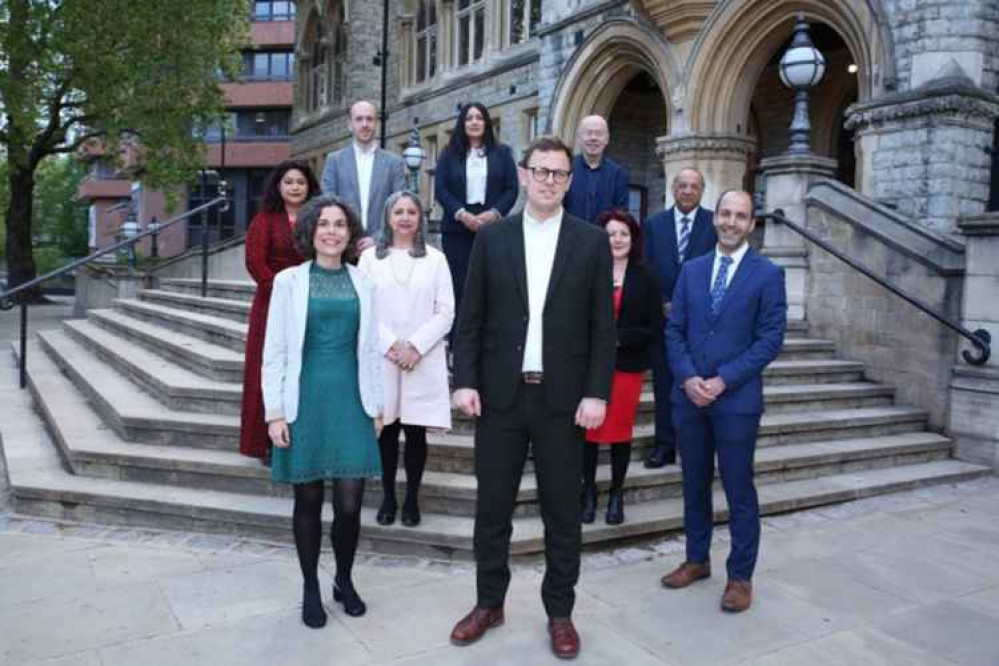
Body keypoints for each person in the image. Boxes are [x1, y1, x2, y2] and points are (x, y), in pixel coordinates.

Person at [448, 136, 615, 660]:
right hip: (500, 397)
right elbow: (470, 318)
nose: (548, 181)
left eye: (558, 174)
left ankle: (560, 613)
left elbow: (601, 328)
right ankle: (488, 603)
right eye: (540, 171)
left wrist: (596, 393)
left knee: (563, 514)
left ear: (569, 181)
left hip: (563, 402)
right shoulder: (493, 240)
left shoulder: (590, 242)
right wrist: (465, 380)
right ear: (523, 174)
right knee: (492, 509)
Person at [660, 190, 787, 613]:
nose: (732, 222)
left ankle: (740, 577)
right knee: (693, 483)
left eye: (741, 216)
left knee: (738, 489)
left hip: (736, 402)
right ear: (716, 219)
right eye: (726, 214)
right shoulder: (692, 271)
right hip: (690, 398)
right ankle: (696, 560)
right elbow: (674, 330)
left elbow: (770, 339)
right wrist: (689, 377)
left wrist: (722, 380)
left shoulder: (768, 273)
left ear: (752, 224)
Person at [261, 195, 384, 629]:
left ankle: (344, 581)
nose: (331, 231)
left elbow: (372, 351)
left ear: (350, 234)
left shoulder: (365, 282)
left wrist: (378, 405)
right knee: (308, 500)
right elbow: (273, 350)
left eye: (340, 225)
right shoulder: (288, 282)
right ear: (311, 231)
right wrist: (274, 413)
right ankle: (311, 587)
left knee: (350, 505)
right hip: (304, 399)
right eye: (323, 224)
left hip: (352, 400)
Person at [358, 191, 454, 528]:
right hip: (383, 357)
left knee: (415, 432)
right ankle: (388, 496)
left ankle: (412, 497)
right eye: (398, 211)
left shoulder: (436, 259)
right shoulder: (370, 258)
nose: (404, 217)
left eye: (411, 211)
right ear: (387, 217)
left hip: (422, 358)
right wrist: (391, 346)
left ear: (420, 219)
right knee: (386, 430)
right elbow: (364, 307)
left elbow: (445, 311)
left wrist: (414, 345)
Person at [581, 210, 662, 526]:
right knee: (587, 435)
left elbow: (655, 327)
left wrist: (616, 339)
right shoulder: (586, 271)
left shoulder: (647, 277)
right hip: (588, 368)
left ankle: (616, 494)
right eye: (610, 233)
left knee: (619, 436)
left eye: (623, 233)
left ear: (633, 239)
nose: (616, 239)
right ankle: (588, 494)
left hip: (626, 368)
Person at [240, 160, 318, 464]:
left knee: (305, 371)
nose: (295, 187)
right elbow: (255, 263)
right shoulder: (264, 220)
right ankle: (265, 443)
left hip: (313, 302)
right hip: (271, 304)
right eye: (289, 182)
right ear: (278, 186)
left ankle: (304, 439)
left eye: (301, 182)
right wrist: (285, 291)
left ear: (309, 187)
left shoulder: (318, 218)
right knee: (269, 370)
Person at [641, 167, 717, 468]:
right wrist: (660, 302)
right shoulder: (653, 224)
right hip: (661, 321)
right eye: (682, 185)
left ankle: (692, 445)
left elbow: (717, 269)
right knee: (663, 385)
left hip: (699, 324)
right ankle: (664, 445)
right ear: (673, 189)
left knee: (695, 385)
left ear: (701, 190)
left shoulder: (713, 225)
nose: (687, 191)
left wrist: (687, 306)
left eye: (693, 186)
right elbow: (645, 267)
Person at [434, 102, 518, 327]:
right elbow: (441, 189)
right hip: (457, 229)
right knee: (459, 285)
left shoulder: (502, 153)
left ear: (487, 123)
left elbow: (512, 188)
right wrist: (461, 214)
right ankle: (458, 341)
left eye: (479, 118)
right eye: (469, 118)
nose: (474, 122)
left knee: (492, 283)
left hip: (492, 228)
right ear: (462, 123)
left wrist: (494, 213)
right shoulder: (449, 154)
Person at [320, 99, 406, 250]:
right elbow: (327, 204)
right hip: (342, 247)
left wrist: (377, 239)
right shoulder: (334, 160)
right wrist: (349, 238)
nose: (364, 124)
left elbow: (399, 208)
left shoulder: (394, 163)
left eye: (370, 119)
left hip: (382, 249)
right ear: (350, 124)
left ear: (376, 124)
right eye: (359, 119)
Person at [563, 115, 629, 224]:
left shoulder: (619, 175)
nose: (593, 138)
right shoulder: (565, 169)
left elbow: (621, 217)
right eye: (588, 133)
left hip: (603, 239)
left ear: (607, 139)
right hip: (570, 237)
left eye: (599, 133)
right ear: (579, 138)